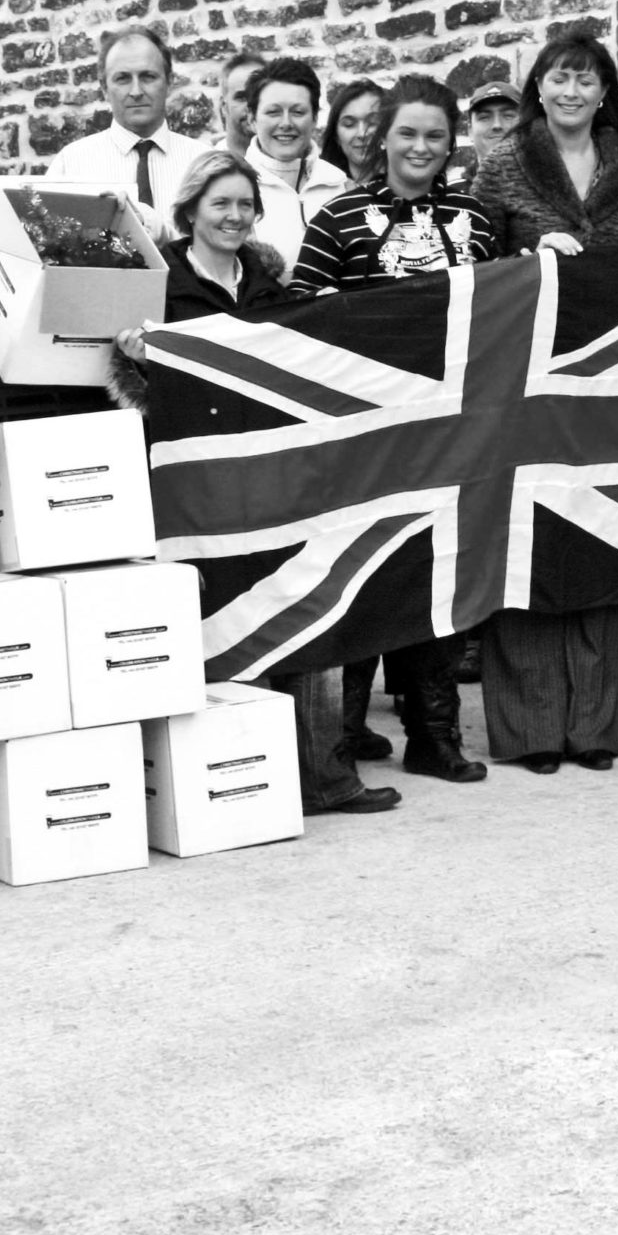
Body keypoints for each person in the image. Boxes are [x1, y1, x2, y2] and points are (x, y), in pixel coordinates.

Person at [113, 153, 397, 819]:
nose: (235, 216)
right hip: (194, 482)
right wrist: (134, 360)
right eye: (221, 204)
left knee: (306, 611)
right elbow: (126, 391)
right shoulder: (158, 284)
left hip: (277, 474)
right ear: (190, 211)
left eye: (245, 204)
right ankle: (229, 782)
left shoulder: (271, 283)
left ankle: (327, 779)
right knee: (214, 625)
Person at [294, 75, 500, 786]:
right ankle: (344, 734)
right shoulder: (338, 219)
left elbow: (502, 317)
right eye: (407, 132)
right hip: (366, 433)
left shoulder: (478, 218)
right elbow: (297, 316)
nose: (420, 146)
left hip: (451, 430)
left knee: (436, 575)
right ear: (382, 136)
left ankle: (433, 733)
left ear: (452, 144)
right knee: (365, 576)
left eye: (435, 136)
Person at [470, 28, 618, 773]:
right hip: (523, 374)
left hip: (605, 378)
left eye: (587, 79)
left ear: (605, 92)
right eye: (560, 77)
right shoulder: (502, 162)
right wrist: (526, 257)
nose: (573, 91)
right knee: (526, 537)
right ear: (538, 88)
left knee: (602, 532)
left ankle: (595, 725)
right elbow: (475, 258)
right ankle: (530, 727)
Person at [37, 25, 209, 209]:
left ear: (169, 81)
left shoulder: (203, 163)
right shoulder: (71, 166)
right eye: (123, 79)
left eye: (148, 77)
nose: (136, 91)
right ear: (104, 88)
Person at [238, 56, 343, 257]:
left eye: (297, 111)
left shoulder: (340, 186)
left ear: (314, 118)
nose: (286, 123)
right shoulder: (234, 186)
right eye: (273, 112)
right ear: (252, 118)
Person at [319, 79, 385, 191]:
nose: (361, 133)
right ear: (336, 135)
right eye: (349, 124)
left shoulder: (409, 187)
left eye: (372, 122)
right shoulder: (321, 189)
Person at [218, 47, 266, 158]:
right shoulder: (205, 169)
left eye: (259, 95)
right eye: (241, 97)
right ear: (223, 106)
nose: (251, 105)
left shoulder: (296, 167)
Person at [465, 78, 520, 164]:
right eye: (484, 117)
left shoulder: (548, 176)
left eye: (508, 116)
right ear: (470, 131)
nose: (497, 125)